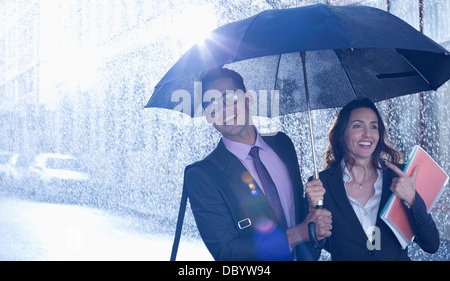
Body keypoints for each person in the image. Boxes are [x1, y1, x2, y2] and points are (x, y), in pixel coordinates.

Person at [184, 68, 332, 261]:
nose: (225, 109)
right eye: (213, 104)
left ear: (247, 100)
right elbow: (226, 252)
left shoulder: (283, 145)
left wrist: (312, 208)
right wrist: (297, 234)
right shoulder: (202, 175)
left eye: (231, 98)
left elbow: (294, 214)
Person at [308, 97, 440, 260]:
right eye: (358, 126)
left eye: (373, 126)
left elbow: (431, 244)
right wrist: (312, 210)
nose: (368, 134)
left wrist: (412, 200)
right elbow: (311, 251)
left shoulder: (400, 176)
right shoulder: (321, 184)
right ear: (342, 133)